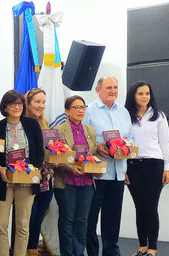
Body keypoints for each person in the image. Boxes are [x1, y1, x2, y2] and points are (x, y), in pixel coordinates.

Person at [0, 89, 44, 256]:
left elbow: (39, 153)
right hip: (4, 181)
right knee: (0, 224)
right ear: (5, 107)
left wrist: (33, 168)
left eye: (20, 104)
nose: (17, 107)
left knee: (22, 225)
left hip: (26, 181)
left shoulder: (32, 125)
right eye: (12, 104)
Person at [83, 77, 133, 256]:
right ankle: (92, 252)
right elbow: (83, 139)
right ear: (98, 90)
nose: (113, 91)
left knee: (113, 218)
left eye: (115, 87)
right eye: (109, 87)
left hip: (118, 173)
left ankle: (112, 252)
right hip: (97, 174)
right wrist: (97, 147)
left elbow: (131, 138)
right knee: (90, 218)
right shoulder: (88, 111)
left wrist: (125, 145)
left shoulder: (124, 112)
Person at [124, 82, 169, 256]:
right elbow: (121, 144)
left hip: (154, 165)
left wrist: (168, 167)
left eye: (147, 93)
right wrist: (123, 170)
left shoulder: (159, 116)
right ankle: (142, 246)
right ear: (133, 96)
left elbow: (165, 143)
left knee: (150, 207)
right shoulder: (125, 116)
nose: (145, 97)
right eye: (140, 94)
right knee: (139, 207)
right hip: (133, 165)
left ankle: (152, 248)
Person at [53, 96, 101, 256]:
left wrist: (97, 168)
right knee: (68, 221)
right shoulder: (59, 130)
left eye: (83, 107)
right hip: (67, 182)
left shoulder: (90, 131)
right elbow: (54, 157)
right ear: (67, 111)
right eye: (76, 107)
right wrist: (70, 166)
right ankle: (67, 253)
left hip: (87, 183)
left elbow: (92, 155)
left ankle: (79, 253)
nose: (81, 110)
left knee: (82, 221)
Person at [24, 88, 53, 256]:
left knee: (40, 214)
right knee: (29, 215)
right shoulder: (21, 124)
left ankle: (33, 248)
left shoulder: (46, 123)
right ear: (27, 103)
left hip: (47, 177)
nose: (41, 105)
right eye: (37, 102)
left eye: (43, 102)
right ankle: (23, 248)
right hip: (29, 176)